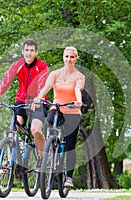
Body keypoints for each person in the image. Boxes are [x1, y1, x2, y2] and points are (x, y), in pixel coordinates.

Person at [0, 39, 48, 168]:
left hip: (38, 103)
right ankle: (11, 161)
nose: (29, 53)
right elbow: (6, 80)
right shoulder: (18, 64)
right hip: (21, 102)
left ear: (36, 52)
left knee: (36, 131)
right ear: (22, 51)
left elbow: (43, 84)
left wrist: (38, 99)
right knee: (13, 130)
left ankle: (43, 160)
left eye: (32, 50)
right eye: (26, 50)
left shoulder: (42, 66)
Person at [33, 46, 85, 187]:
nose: (69, 59)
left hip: (72, 110)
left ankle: (68, 178)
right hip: (57, 107)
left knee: (70, 145)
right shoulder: (55, 74)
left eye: (72, 57)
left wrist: (78, 101)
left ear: (76, 59)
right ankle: (50, 148)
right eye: (67, 56)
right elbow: (47, 86)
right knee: (49, 122)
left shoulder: (79, 76)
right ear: (63, 57)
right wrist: (38, 97)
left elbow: (77, 89)